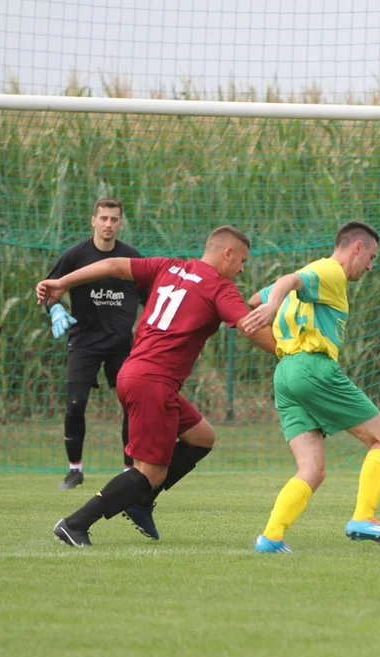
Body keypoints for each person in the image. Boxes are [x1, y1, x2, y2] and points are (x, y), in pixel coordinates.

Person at [37, 226, 276, 546]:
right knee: (150, 473)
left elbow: (111, 265)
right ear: (227, 254)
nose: (243, 269)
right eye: (242, 261)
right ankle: (76, 523)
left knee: (202, 437)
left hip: (133, 374)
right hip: (153, 383)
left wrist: (62, 282)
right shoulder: (220, 288)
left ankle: (141, 501)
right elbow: (248, 327)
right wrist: (294, 350)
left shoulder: (170, 266)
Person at [239, 221, 380, 554]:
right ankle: (364, 516)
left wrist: (273, 312)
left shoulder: (314, 272)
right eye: (371, 257)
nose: (371, 266)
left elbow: (255, 298)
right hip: (313, 368)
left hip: (285, 374)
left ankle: (271, 538)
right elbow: (287, 283)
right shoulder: (331, 272)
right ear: (356, 248)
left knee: (312, 469)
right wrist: (274, 307)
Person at [43, 198, 144, 490]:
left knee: (132, 407)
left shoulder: (131, 257)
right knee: (76, 404)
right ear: (93, 221)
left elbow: (150, 299)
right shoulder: (75, 255)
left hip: (122, 346)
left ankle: (129, 471)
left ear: (120, 223)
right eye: (104, 219)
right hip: (83, 343)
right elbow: (50, 290)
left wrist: (145, 332)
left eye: (114, 219)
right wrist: (55, 309)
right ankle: (75, 470)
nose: (109, 224)